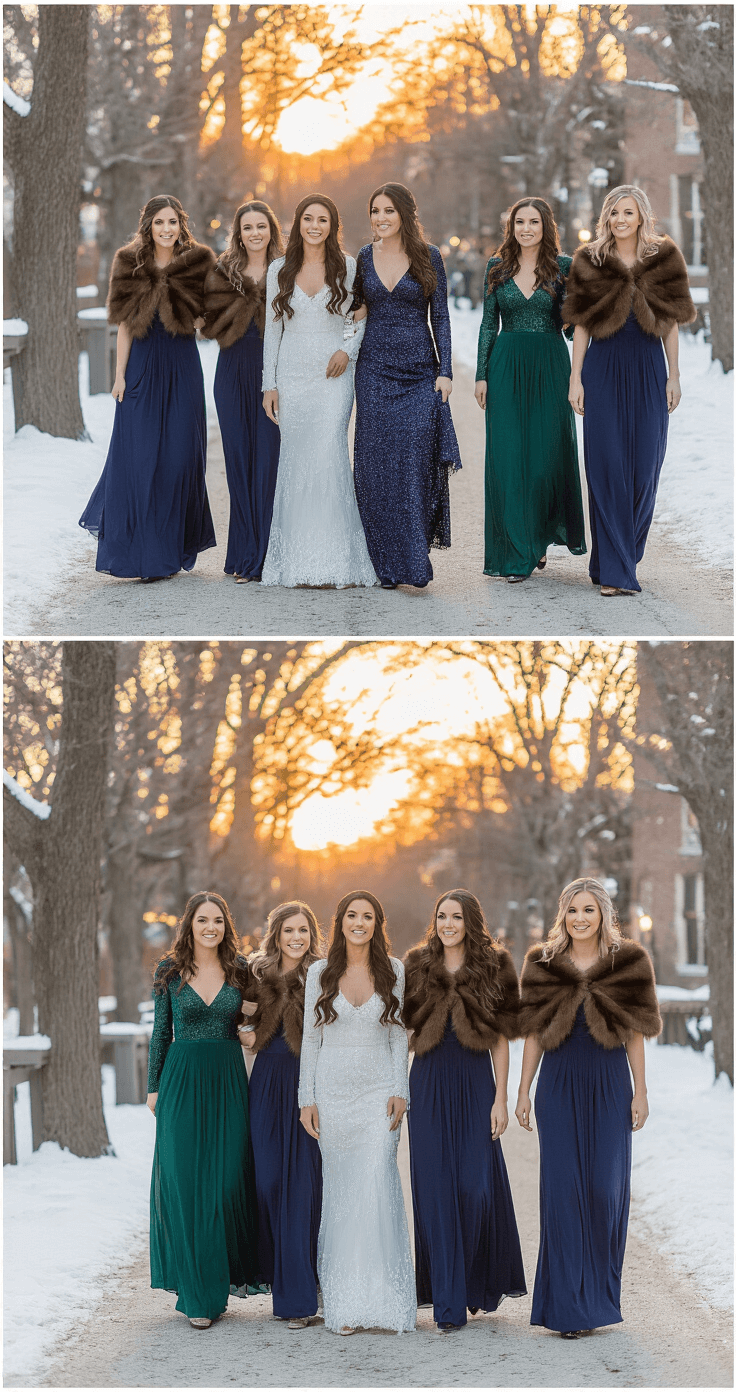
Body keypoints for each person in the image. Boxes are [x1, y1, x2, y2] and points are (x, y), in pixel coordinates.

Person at [515, 878, 662, 1338]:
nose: (580, 918)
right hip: (558, 1085)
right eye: (573, 910)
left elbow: (636, 1032)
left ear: (603, 915)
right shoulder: (541, 965)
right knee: (562, 1193)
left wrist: (641, 1091)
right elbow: (535, 1033)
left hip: (609, 1084)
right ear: (563, 915)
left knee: (603, 1189)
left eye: (589, 910)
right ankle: (567, 1310)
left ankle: (597, 1298)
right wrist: (523, 1089)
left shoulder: (630, 962)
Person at [403, 889, 526, 1333]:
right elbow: (401, 1030)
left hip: (476, 1084)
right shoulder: (416, 964)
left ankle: (473, 1283)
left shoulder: (496, 966)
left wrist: (500, 1098)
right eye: (441, 916)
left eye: (456, 917)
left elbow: (501, 1037)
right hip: (430, 1082)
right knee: (435, 1189)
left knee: (474, 1189)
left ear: (471, 921)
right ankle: (448, 1303)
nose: (447, 924)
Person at [564, 185, 696, 596]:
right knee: (606, 466)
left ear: (642, 216)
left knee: (643, 467)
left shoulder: (664, 257)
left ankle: (616, 556)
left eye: (628, 212)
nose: (621, 219)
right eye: (614, 213)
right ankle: (617, 573)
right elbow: (582, 323)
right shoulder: (590, 260)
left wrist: (673, 375)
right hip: (602, 369)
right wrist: (576, 378)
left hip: (647, 370)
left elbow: (671, 323)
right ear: (606, 218)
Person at [79, 194, 216, 580]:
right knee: (140, 461)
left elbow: (207, 320)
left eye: (173, 222)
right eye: (159, 222)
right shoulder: (128, 262)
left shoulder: (198, 263)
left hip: (183, 369)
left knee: (178, 459)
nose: (167, 229)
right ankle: (142, 554)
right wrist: (120, 376)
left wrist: (208, 315)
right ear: (148, 226)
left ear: (181, 224)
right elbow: (123, 325)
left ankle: (168, 551)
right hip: (140, 368)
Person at [298, 891, 415, 1335]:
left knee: (378, 1183)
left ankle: (385, 1301)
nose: (359, 922)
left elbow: (397, 1037)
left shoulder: (394, 970)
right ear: (341, 921)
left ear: (377, 923)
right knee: (342, 1193)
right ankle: (345, 1302)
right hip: (332, 1094)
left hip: (377, 1093)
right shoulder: (319, 972)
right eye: (352, 915)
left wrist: (400, 1089)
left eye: (368, 916)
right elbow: (311, 1039)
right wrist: (305, 1098)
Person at [146, 892, 258, 1328]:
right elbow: (161, 1032)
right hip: (181, 1080)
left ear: (226, 925)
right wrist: (154, 1088)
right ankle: (198, 1295)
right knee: (187, 1183)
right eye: (202, 920)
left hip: (229, 1079)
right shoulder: (168, 970)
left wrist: (251, 1025)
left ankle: (216, 1280)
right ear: (189, 924)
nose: (210, 927)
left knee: (225, 1181)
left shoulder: (241, 969)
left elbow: (252, 1023)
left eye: (217, 920)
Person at [260, 194, 376, 589]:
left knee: (329, 456)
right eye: (307, 218)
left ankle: (333, 561)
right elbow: (272, 332)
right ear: (297, 223)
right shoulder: (279, 268)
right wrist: (269, 384)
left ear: (332, 225)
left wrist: (348, 350)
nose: (314, 226)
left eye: (322, 220)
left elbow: (359, 319)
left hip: (333, 378)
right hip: (292, 378)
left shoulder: (347, 267)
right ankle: (295, 560)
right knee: (295, 462)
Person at [352, 182, 462, 590]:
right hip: (375, 372)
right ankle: (382, 564)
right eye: (375, 211)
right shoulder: (364, 258)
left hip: (419, 374)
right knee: (375, 467)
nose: (380, 218)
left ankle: (414, 560)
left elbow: (443, 320)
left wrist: (445, 371)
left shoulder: (429, 257)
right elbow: (355, 309)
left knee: (413, 465)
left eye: (388, 211)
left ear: (405, 215)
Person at [474, 197, 586, 583]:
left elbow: (572, 329)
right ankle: (518, 551)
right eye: (519, 222)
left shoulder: (565, 268)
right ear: (512, 227)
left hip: (550, 367)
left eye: (533, 222)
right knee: (508, 458)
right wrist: (481, 374)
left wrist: (580, 308)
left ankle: (536, 536)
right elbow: (489, 324)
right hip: (506, 366)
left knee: (543, 459)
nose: (526, 228)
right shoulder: (496, 267)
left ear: (545, 226)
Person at [240, 901, 323, 1330]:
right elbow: (247, 1036)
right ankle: (278, 1276)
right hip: (268, 1083)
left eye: (303, 930)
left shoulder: (323, 975)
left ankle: (299, 1296)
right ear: (276, 933)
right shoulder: (256, 976)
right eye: (289, 929)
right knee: (270, 1183)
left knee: (304, 1188)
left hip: (310, 1084)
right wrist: (245, 1029)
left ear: (312, 935)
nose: (296, 937)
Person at [202, 201, 282, 583]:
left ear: (271, 230)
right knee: (239, 465)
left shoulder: (287, 269)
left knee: (267, 463)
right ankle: (244, 555)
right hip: (232, 372)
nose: (254, 233)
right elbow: (207, 322)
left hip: (274, 375)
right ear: (239, 232)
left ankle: (265, 555)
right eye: (247, 227)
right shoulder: (222, 272)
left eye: (261, 226)